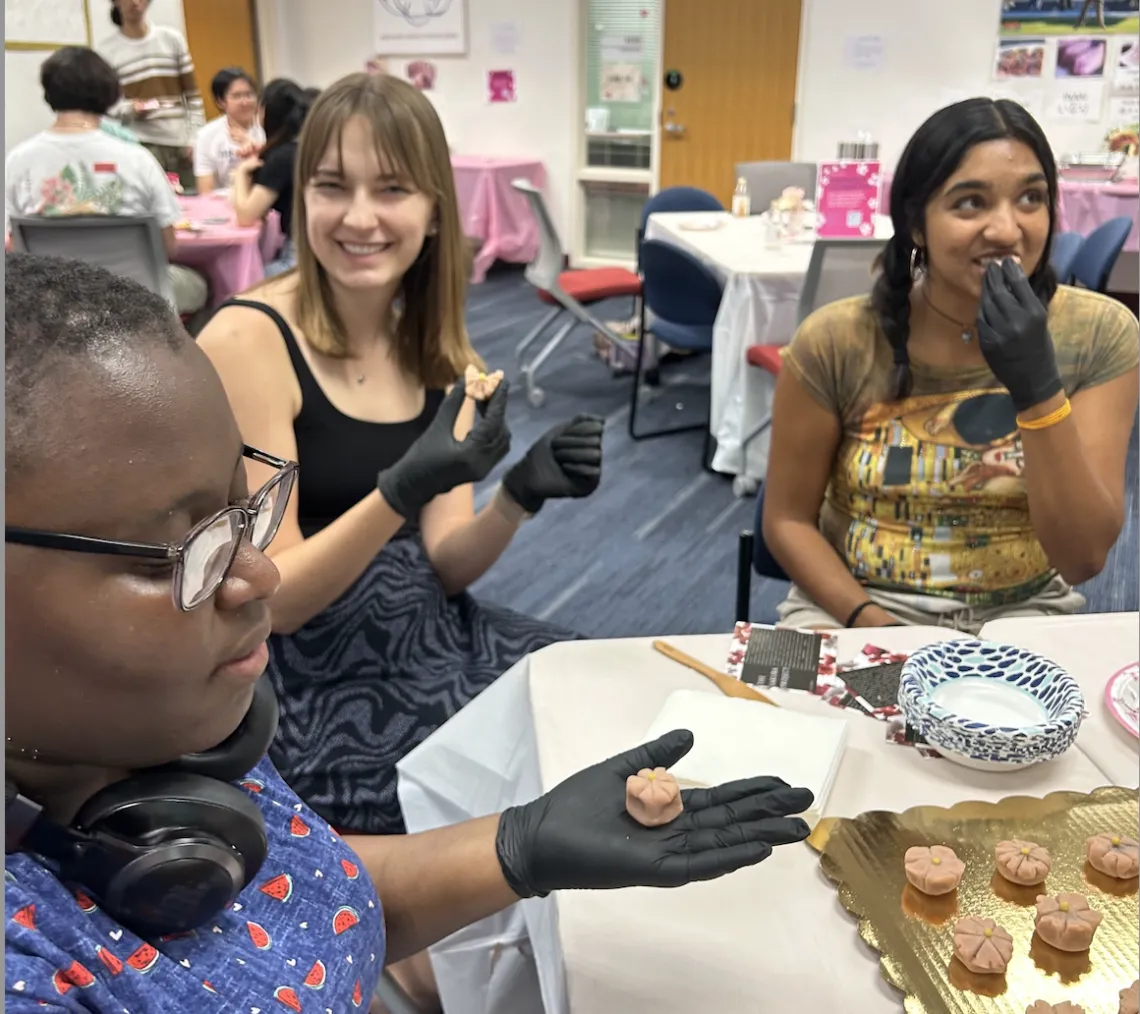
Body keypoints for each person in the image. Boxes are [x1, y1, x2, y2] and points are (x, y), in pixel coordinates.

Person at [3, 251, 815, 1014]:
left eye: (245, 513)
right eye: (178, 552)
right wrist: (402, 488)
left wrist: (523, 846)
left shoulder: (163, 741)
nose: (259, 574)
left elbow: (316, 892)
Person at [198, 71, 606, 841]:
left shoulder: (442, 350)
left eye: (391, 190)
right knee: (481, 809)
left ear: (432, 211)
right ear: (301, 198)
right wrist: (399, 491)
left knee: (586, 704)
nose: (359, 218)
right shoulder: (249, 341)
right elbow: (274, 601)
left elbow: (447, 561)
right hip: (307, 671)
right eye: (330, 186)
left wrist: (518, 494)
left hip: (423, 625)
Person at [763, 97, 1139, 635]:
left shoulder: (1100, 333)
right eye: (970, 203)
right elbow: (787, 520)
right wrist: (876, 626)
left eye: (1031, 198)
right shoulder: (835, 339)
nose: (1007, 230)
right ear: (917, 224)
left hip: (1023, 614)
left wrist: (1036, 387)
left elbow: (1083, 559)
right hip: (852, 608)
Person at [5, 46, 207, 316]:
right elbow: (168, 246)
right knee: (202, 285)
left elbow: (13, 247)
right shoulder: (137, 159)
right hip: (135, 302)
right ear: (108, 92)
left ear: (49, 93)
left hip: (54, 308)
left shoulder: (18, 161)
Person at [97, 0, 204, 192]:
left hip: (181, 143)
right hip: (142, 145)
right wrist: (131, 108)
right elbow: (106, 105)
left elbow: (193, 96)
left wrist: (195, 138)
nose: (135, 3)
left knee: (192, 206)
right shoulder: (107, 51)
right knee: (152, 208)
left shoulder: (172, 39)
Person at [231, 78, 312, 275]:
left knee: (242, 278)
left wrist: (241, 173)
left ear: (266, 110)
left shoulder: (283, 156)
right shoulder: (303, 147)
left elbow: (245, 216)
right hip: (307, 248)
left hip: (298, 257)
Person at [193, 67, 264, 194]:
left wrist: (251, 143)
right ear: (220, 102)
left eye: (249, 94)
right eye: (237, 96)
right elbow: (205, 191)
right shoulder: (206, 136)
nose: (245, 102)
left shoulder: (267, 128)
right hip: (222, 205)